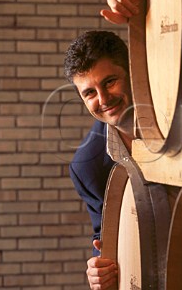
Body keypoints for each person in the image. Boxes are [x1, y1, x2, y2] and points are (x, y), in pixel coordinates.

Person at [66, 29, 136, 289]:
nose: (103, 99)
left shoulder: (174, 119)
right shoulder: (87, 166)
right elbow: (104, 235)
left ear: (132, 72)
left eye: (109, 82)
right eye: (90, 93)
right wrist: (99, 268)